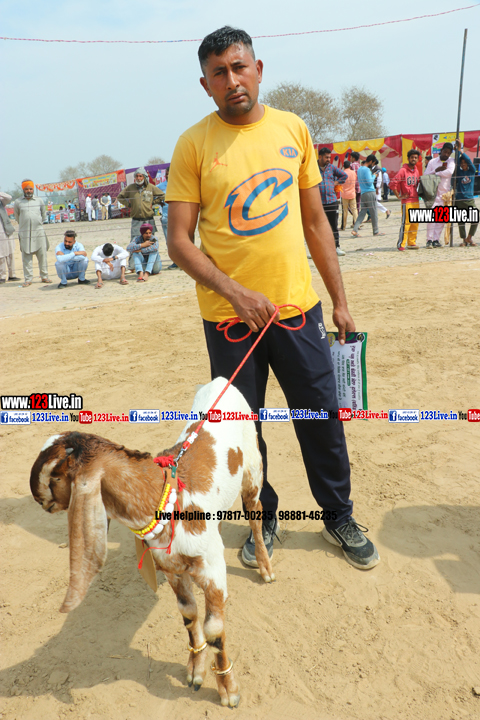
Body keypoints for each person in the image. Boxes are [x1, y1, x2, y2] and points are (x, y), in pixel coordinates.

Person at [166, 26, 380, 572]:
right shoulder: (193, 145)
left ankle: (338, 516)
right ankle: (264, 519)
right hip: (229, 320)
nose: (232, 80)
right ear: (205, 84)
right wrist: (235, 293)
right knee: (243, 428)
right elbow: (179, 242)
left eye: (239, 67)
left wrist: (340, 301)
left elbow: (316, 224)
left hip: (297, 312)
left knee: (321, 417)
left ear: (258, 70)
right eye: (219, 73)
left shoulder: (293, 129)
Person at [14, 179, 52, 287]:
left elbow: (43, 215)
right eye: (26, 189)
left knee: (42, 255)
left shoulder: (39, 200)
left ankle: (44, 276)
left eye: (31, 189)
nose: (29, 191)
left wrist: (36, 222)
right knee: (26, 257)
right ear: (23, 189)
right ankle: (28, 279)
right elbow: (17, 217)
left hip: (38, 232)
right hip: (25, 233)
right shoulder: (18, 202)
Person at [117, 167, 165, 240]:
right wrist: (129, 205)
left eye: (140, 176)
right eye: (136, 176)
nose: (138, 178)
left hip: (148, 219)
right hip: (136, 220)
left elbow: (162, 195)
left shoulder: (150, 187)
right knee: (135, 240)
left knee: (150, 240)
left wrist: (153, 202)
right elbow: (120, 197)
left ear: (144, 177)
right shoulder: (130, 188)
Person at [317, 148, 348, 256]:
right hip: (318, 202)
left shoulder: (331, 168)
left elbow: (344, 175)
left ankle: (336, 247)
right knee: (318, 227)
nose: (328, 159)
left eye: (329, 157)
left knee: (333, 226)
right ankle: (318, 249)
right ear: (320, 156)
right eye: (326, 157)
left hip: (331, 201)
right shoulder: (313, 168)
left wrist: (335, 182)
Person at [424, 142, 455, 248]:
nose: (446, 154)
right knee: (431, 219)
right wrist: (436, 170)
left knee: (441, 219)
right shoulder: (432, 162)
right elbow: (426, 175)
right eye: (445, 151)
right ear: (441, 150)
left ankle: (436, 240)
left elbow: (449, 172)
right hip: (432, 194)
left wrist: (436, 174)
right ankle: (429, 240)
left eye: (448, 153)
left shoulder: (451, 161)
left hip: (444, 195)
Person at [390, 149, 421, 251]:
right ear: (408, 158)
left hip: (416, 200)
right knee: (406, 223)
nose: (413, 159)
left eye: (415, 157)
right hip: (407, 201)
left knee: (415, 222)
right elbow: (393, 182)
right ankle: (401, 244)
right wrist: (398, 196)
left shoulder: (416, 171)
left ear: (418, 159)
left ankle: (411, 242)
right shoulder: (403, 170)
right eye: (412, 157)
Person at [351, 156, 385, 238]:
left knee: (362, 213)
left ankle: (355, 229)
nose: (373, 165)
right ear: (371, 161)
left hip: (363, 193)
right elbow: (369, 182)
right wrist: (374, 175)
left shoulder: (360, 169)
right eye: (373, 163)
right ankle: (376, 231)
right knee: (374, 212)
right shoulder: (366, 169)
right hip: (370, 192)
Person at [453, 138, 478, 246]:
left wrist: (461, 150)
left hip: (469, 200)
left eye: (465, 163)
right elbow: (456, 162)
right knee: (461, 221)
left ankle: (469, 238)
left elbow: (468, 160)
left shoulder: (471, 171)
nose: (463, 164)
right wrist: (457, 151)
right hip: (459, 200)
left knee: (475, 219)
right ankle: (464, 239)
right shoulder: (459, 172)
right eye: (462, 163)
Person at [158, 167, 178, 270]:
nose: (167, 175)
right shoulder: (160, 187)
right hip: (166, 217)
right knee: (169, 241)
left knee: (182, 240)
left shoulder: (180, 185)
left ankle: (185, 262)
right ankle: (176, 261)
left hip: (179, 217)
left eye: (169, 173)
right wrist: (158, 202)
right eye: (166, 173)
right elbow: (152, 196)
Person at [0, 191, 20, 283]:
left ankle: (12, 275)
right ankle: (2, 276)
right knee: (1, 255)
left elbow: (8, 197)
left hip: (7, 230)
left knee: (10, 253)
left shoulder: (1, 201)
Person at [340, 161, 358, 230]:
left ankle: (343, 226)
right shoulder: (353, 173)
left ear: (343, 166)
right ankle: (357, 225)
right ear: (350, 166)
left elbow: (340, 182)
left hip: (344, 194)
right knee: (354, 210)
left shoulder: (342, 173)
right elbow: (355, 180)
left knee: (345, 211)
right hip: (352, 193)